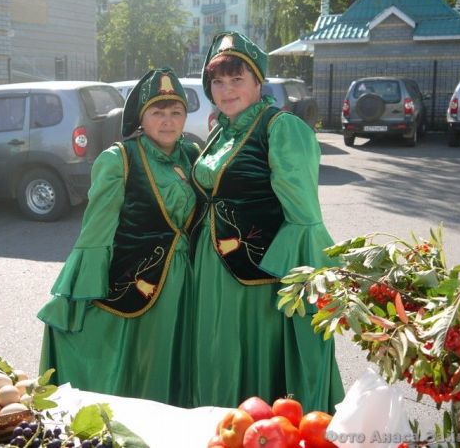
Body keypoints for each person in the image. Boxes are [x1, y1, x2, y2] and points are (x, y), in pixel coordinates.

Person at [190, 32, 345, 413]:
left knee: (247, 357)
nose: (226, 90)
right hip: (211, 269)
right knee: (216, 354)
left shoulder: (282, 128)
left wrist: (307, 283)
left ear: (259, 82)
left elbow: (304, 217)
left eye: (237, 79)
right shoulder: (221, 130)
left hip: (256, 275)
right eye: (218, 81)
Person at [37, 68, 199, 407]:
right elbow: (96, 230)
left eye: (176, 112)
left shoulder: (192, 155)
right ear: (142, 117)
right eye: (158, 112)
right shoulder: (119, 159)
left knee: (171, 361)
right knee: (135, 365)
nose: (167, 121)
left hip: (186, 283)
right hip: (137, 283)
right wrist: (79, 296)